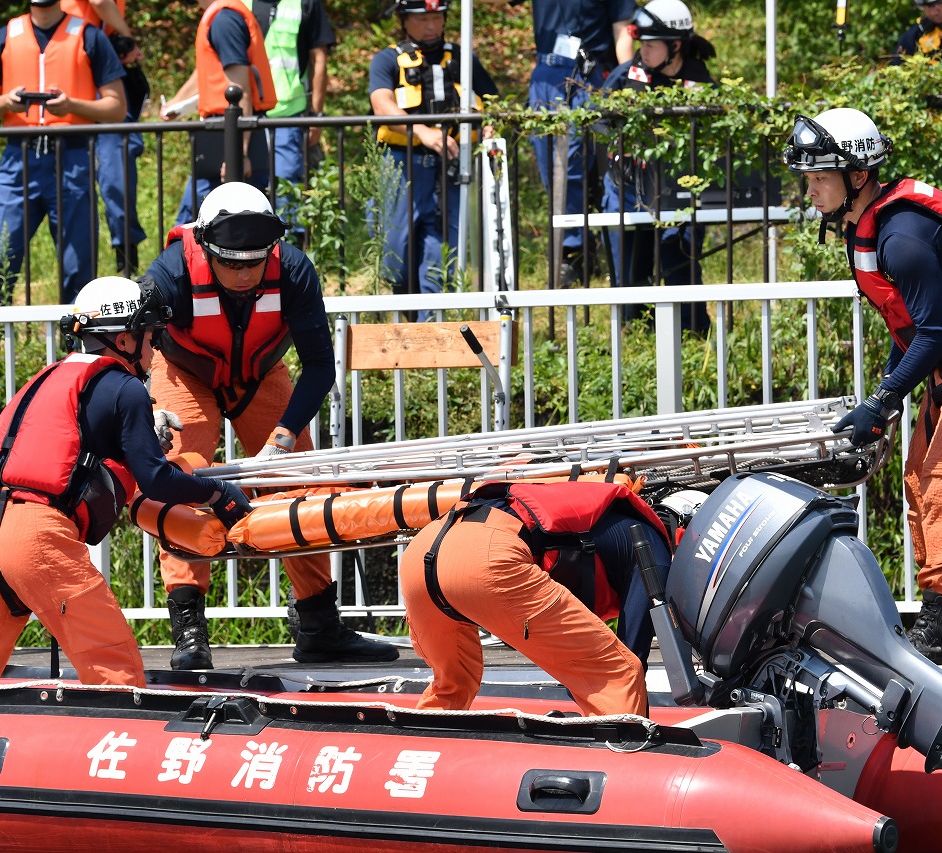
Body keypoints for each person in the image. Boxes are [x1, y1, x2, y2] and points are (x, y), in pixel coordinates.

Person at [784, 108, 942, 665]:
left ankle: (937, 623)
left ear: (857, 176)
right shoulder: (869, 225)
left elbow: (934, 330)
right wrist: (886, 394)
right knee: (920, 478)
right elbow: (914, 328)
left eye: (819, 178)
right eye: (807, 179)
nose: (810, 191)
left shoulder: (901, 237)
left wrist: (883, 399)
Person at [0, 276, 253, 690]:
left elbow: (76, 441)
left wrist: (138, 435)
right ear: (124, 340)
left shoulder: (49, 376)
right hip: (40, 541)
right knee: (115, 668)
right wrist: (217, 493)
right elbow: (156, 479)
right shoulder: (126, 388)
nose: (155, 347)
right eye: (150, 335)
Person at [141, 181, 399, 668]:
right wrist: (145, 405)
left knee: (300, 483)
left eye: (253, 263)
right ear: (206, 248)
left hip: (261, 375)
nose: (243, 273)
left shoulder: (294, 270)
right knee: (182, 479)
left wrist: (282, 439)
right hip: (184, 374)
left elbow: (321, 365)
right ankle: (189, 631)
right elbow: (131, 343)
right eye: (231, 263)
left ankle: (319, 624)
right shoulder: (169, 272)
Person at [399, 480, 672, 717]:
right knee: (620, 673)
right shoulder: (653, 548)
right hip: (487, 555)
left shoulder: (610, 521)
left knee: (452, 686)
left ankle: (422, 749)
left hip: (421, 551)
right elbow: (632, 649)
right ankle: (625, 758)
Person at [0, 0, 127, 306]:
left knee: (78, 266)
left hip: (71, 158)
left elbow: (117, 106)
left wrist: (72, 106)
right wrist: (7, 101)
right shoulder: (5, 35)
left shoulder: (89, 36)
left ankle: (77, 347)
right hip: (19, 160)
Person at [368, 0, 498, 310]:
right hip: (401, 166)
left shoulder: (463, 58)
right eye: (423, 18)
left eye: (437, 17)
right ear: (403, 20)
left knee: (440, 255)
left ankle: (432, 325)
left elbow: (493, 101)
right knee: (393, 258)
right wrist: (423, 132)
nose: (431, 25)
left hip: (449, 169)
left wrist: (492, 125)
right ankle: (408, 310)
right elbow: (381, 104)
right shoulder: (387, 59)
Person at [599, 0, 713, 331]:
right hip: (628, 190)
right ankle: (635, 337)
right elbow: (597, 124)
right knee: (631, 272)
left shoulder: (701, 83)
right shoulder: (626, 78)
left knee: (681, 264)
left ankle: (693, 335)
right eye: (641, 44)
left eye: (651, 45)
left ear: (676, 46)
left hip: (681, 191)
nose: (643, 52)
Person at [506, 0, 636, 287]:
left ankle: (610, 249)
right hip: (549, 72)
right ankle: (573, 250)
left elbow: (622, 29)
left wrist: (627, 80)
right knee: (553, 169)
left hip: (592, 71)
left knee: (598, 164)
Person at [169, 0, 277, 227]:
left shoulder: (224, 20)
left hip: (231, 134)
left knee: (203, 224)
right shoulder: (221, 18)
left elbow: (241, 91)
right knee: (203, 223)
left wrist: (239, 153)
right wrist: (175, 104)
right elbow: (207, 71)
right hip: (224, 133)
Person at [62, 0, 150, 275]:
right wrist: (128, 39)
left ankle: (113, 273)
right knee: (116, 178)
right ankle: (127, 270)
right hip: (87, 67)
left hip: (78, 65)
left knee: (107, 178)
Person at [250, 0, 337, 242]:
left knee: (286, 190)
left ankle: (288, 261)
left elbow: (320, 59)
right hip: (248, 114)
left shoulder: (306, 3)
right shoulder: (239, 2)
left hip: (289, 114)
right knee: (247, 188)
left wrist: (316, 116)